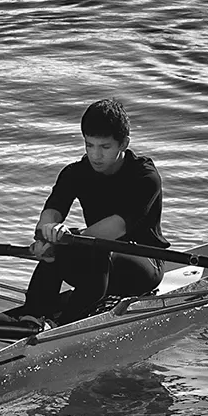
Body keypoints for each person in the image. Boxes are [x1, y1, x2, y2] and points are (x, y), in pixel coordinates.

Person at [24, 98, 168, 326]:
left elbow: (117, 226)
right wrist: (46, 235)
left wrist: (70, 240)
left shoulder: (145, 177)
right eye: (89, 145)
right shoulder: (74, 173)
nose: (95, 155)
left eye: (104, 147)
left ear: (123, 143)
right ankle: (32, 315)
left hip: (144, 266)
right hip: (98, 266)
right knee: (60, 248)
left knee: (91, 246)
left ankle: (64, 325)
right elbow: (53, 210)